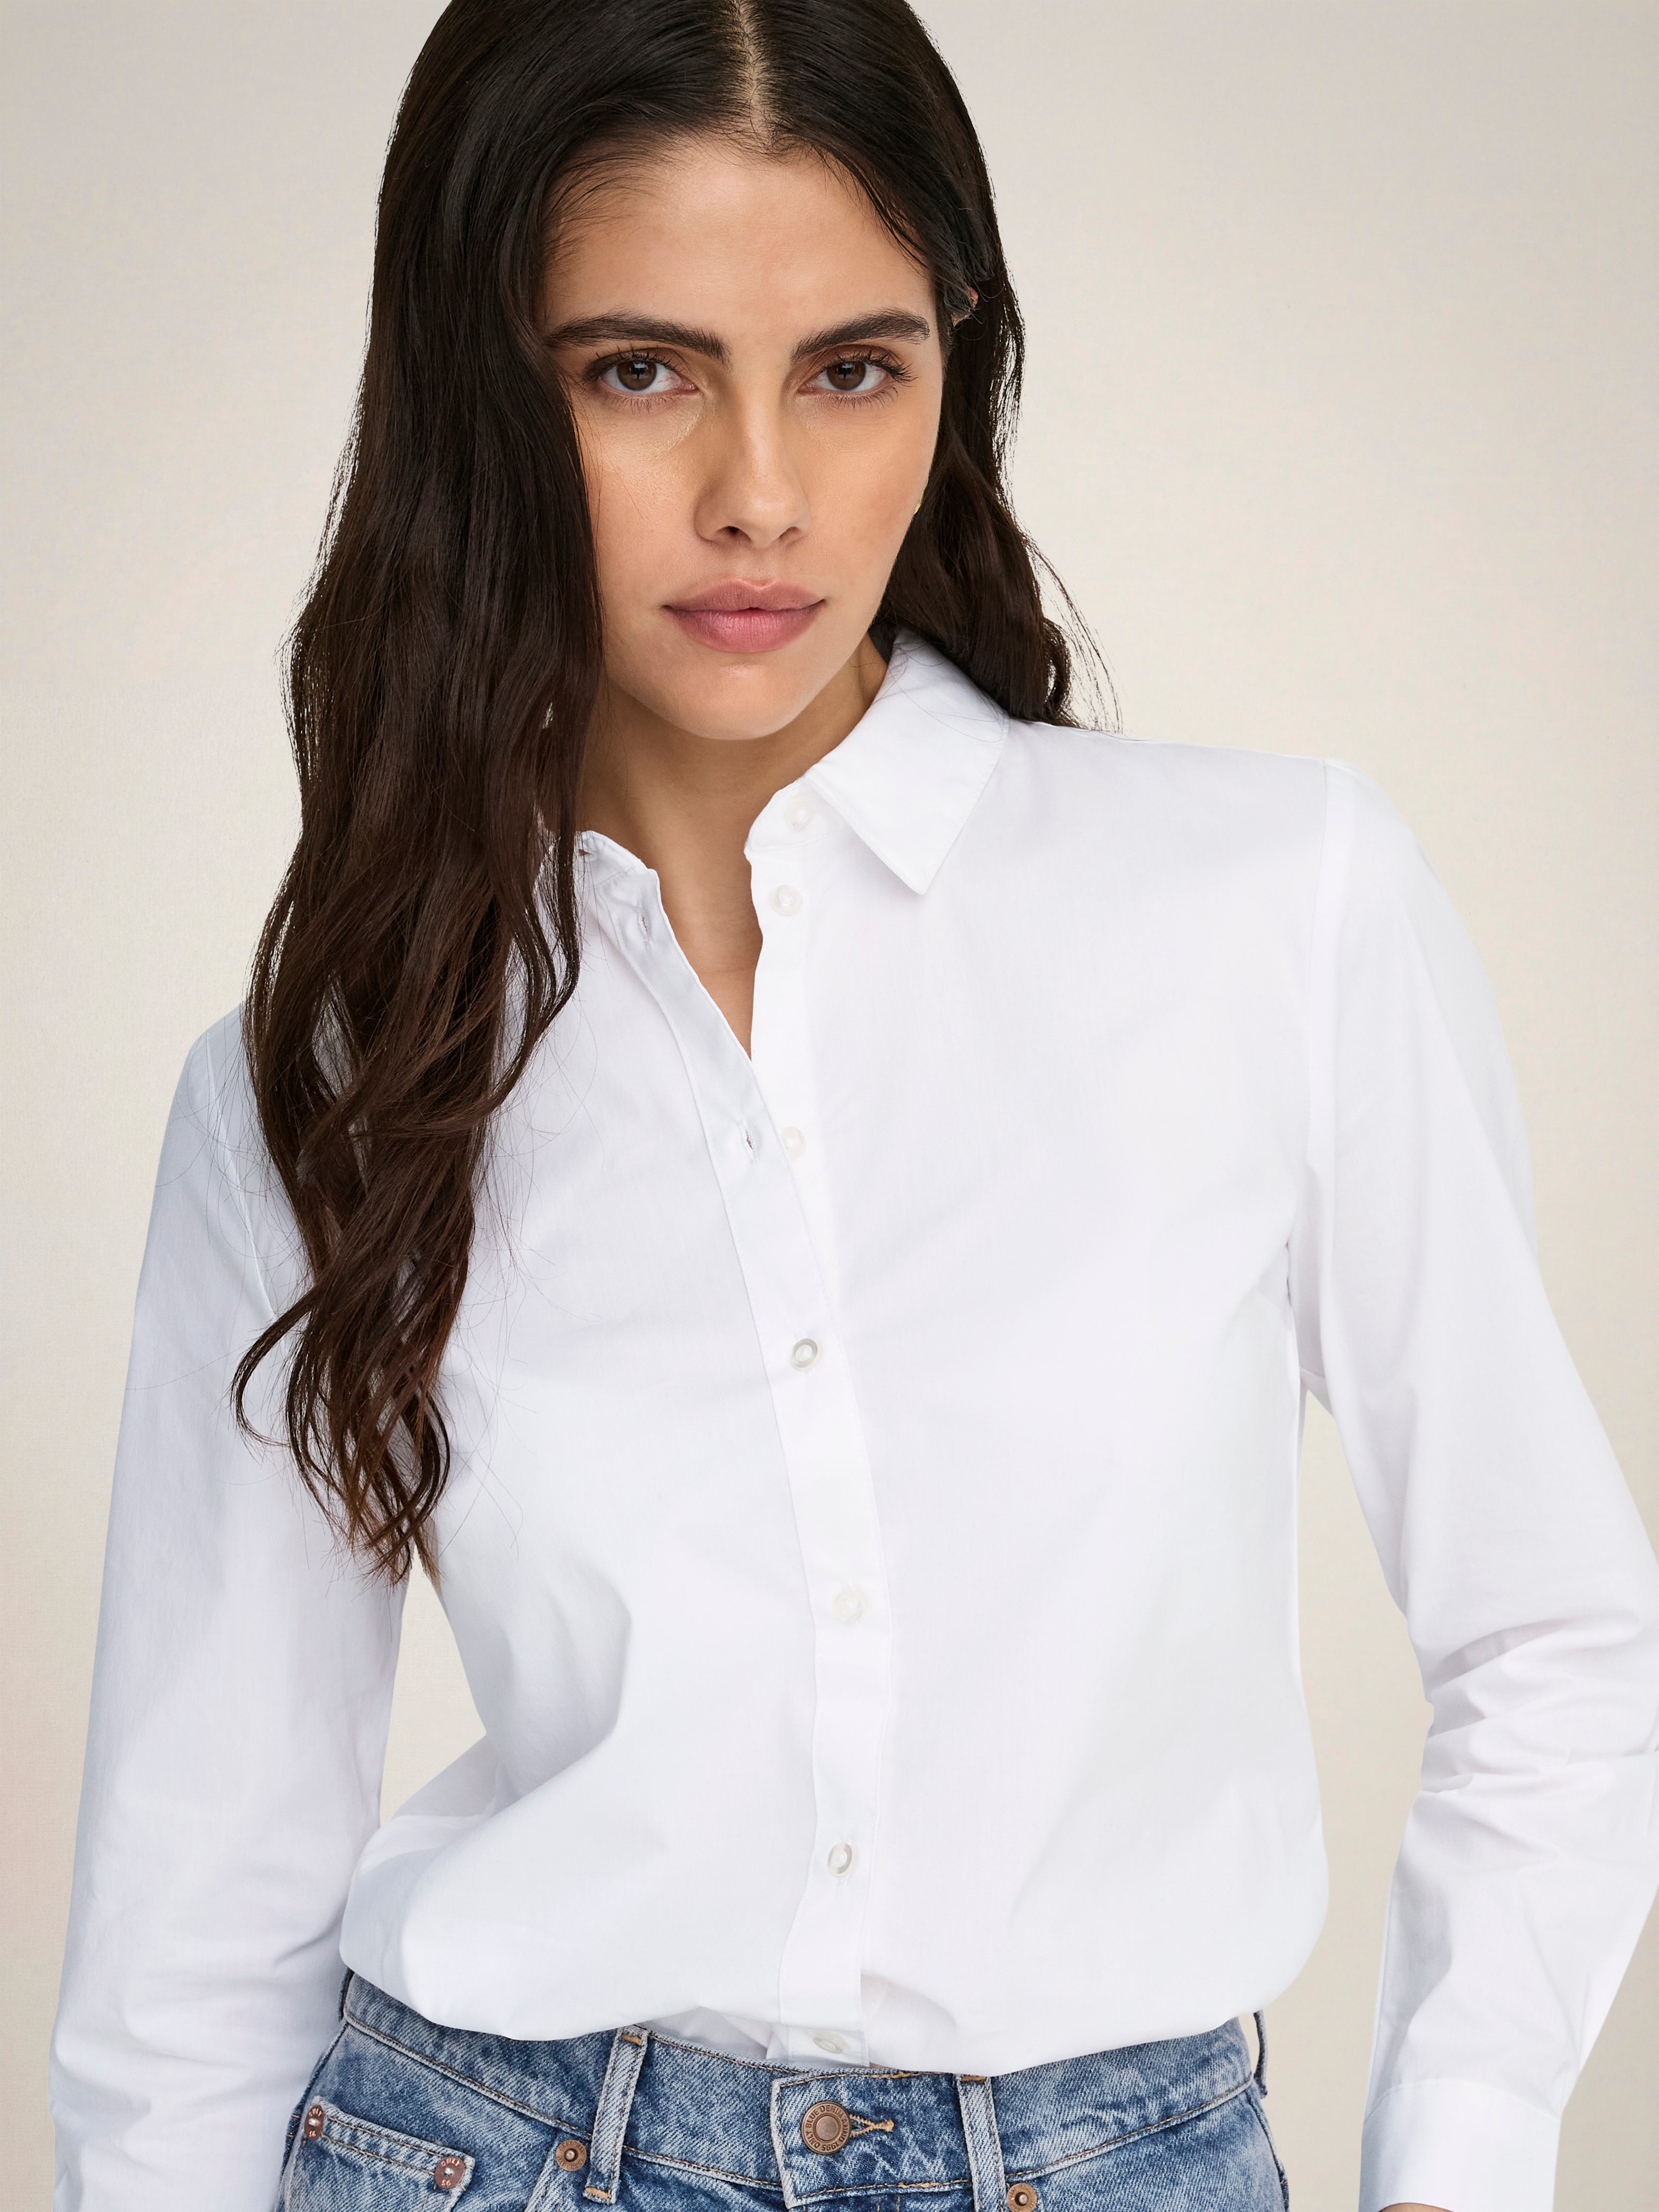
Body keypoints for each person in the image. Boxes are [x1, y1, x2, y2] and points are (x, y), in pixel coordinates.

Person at [48, 2, 1659, 2208]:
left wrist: (1458, 2156)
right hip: (489, 2151)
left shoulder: (1270, 907)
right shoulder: (339, 1066)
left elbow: (1551, 1636)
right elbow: (198, 1911)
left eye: (848, 368)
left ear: (949, 374)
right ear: (479, 392)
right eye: (638, 370)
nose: (759, 495)